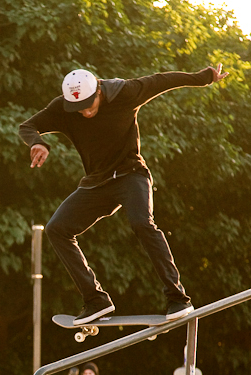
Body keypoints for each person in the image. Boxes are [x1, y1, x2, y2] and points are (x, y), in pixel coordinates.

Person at [19, 64, 229, 325]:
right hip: (96, 184)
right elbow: (28, 126)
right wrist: (37, 142)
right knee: (56, 229)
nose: (85, 112)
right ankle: (96, 301)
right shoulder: (63, 107)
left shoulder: (125, 92)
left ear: (98, 90)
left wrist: (204, 77)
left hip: (131, 174)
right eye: (79, 108)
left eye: (89, 105)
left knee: (142, 223)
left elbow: (162, 80)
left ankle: (177, 298)